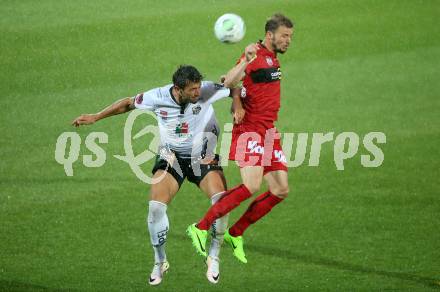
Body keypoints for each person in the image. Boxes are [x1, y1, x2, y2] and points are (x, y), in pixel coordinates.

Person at [72, 65, 238, 285]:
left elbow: (236, 89)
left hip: (202, 156)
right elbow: (127, 104)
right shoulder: (157, 96)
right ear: (178, 89)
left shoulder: (207, 91)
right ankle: (160, 262)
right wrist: (96, 116)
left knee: (221, 201)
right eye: (192, 90)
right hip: (172, 158)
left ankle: (214, 256)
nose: (198, 93)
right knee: (155, 208)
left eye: (198, 87)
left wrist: (237, 105)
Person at [187, 14, 294, 264]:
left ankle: (235, 233)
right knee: (251, 186)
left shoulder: (272, 58)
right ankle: (200, 227)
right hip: (249, 130)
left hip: (268, 130)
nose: (288, 41)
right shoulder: (254, 54)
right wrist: (245, 60)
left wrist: (237, 100)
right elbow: (229, 81)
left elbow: (240, 88)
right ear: (270, 35)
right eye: (284, 36)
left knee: (280, 189)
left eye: (290, 36)